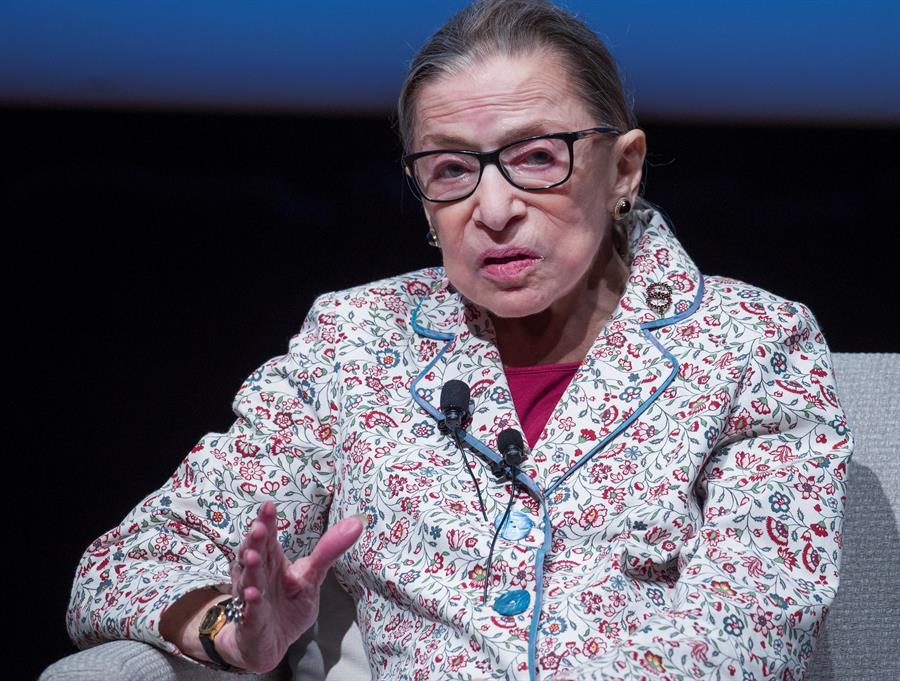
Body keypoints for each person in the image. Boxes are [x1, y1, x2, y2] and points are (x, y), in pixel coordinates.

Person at [66, 1, 853, 679]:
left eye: (537, 157)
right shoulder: (356, 342)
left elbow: (751, 634)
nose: (495, 208)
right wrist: (230, 627)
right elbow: (127, 563)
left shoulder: (754, 345)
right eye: (450, 170)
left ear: (624, 168)